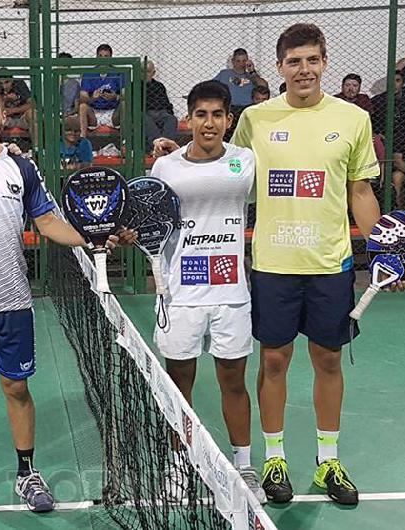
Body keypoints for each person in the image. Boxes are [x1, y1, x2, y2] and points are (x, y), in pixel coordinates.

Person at [154, 23, 405, 506]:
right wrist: (175, 153)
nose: (304, 69)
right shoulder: (255, 119)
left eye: (312, 60)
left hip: (330, 262)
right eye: (294, 61)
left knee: (329, 359)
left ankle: (329, 460)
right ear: (280, 66)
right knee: (273, 360)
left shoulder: (353, 119)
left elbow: (360, 192)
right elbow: (219, 159)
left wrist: (384, 250)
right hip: (272, 263)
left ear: (325, 62)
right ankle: (273, 460)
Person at [0, 75, 124, 515]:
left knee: (16, 386)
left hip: (13, 300)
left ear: (3, 116)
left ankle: (27, 472)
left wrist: (90, 238)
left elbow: (48, 221)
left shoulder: (22, 168)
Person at [150, 79, 265, 504]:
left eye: (217, 115)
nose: (209, 122)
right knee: (179, 383)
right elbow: (153, 221)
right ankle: (179, 461)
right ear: (189, 119)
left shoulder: (246, 161)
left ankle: (245, 466)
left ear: (228, 120)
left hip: (232, 291)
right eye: (201, 114)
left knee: (233, 380)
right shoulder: (166, 167)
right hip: (180, 293)